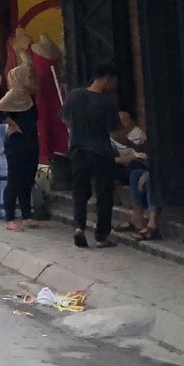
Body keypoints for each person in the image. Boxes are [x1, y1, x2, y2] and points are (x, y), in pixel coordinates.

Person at [63, 65, 121, 248]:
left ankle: (79, 227)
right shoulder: (107, 102)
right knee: (104, 194)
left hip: (79, 151)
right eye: (112, 81)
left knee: (80, 191)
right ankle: (101, 236)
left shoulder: (74, 95)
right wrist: (134, 145)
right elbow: (115, 133)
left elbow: (65, 120)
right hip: (101, 152)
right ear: (105, 79)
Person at [0, 80, 39, 232]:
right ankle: (9, 218)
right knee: (15, 179)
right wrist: (12, 124)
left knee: (27, 178)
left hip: (30, 141)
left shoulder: (28, 97)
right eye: (28, 76)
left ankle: (26, 216)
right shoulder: (12, 95)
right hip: (16, 143)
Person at [113, 110, 156, 239]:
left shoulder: (138, 135)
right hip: (140, 169)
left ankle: (152, 223)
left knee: (141, 172)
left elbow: (139, 157)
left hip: (147, 167)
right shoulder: (116, 135)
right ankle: (136, 217)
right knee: (135, 175)